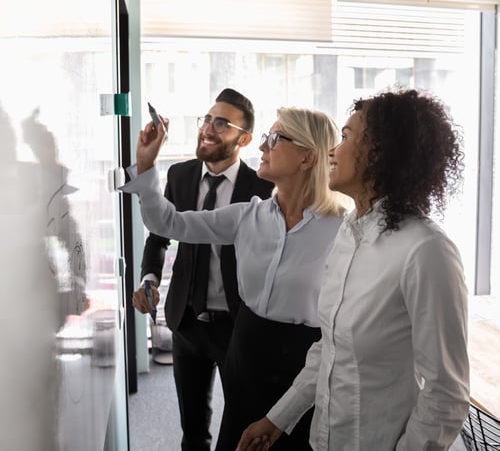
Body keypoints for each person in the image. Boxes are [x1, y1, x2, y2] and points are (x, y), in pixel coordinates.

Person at [236, 88, 470, 451]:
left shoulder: (426, 250)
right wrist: (276, 419)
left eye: (345, 137)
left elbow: (446, 394)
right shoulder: (348, 231)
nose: (332, 150)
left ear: (380, 152)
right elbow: (329, 349)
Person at [121, 105, 350, 450]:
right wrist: (146, 164)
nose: (262, 146)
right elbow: (168, 223)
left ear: (308, 157)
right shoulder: (248, 216)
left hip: (305, 362)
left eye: (275, 138)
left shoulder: (343, 230)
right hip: (246, 349)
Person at [132, 88, 274, 451]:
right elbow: (159, 236)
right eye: (207, 119)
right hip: (187, 322)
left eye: (222, 123)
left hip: (238, 325)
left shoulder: (262, 187)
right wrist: (150, 278)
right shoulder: (180, 175)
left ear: (244, 139)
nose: (208, 129)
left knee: (242, 425)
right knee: (192, 431)